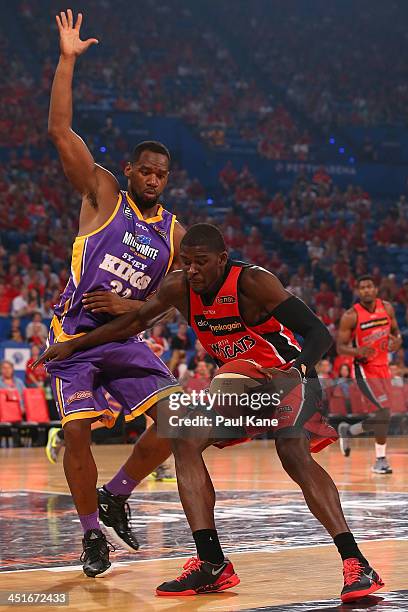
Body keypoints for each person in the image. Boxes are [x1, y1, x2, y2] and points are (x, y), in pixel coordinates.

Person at [36, 224, 383, 603]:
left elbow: (318, 333)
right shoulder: (178, 287)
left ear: (221, 259)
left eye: (201, 263)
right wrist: (74, 345)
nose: (193, 271)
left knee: (294, 456)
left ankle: (357, 563)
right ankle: (212, 563)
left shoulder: (254, 282)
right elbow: (134, 323)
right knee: (184, 436)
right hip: (239, 382)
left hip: (285, 376)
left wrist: (298, 368)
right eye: (186, 262)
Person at [45, 9, 186, 577]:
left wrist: (134, 308)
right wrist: (66, 60)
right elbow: (59, 131)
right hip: (75, 336)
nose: (153, 179)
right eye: (145, 171)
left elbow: (173, 298)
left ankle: (118, 494)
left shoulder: (173, 233)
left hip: (122, 337)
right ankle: (90, 536)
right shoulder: (103, 194)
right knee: (76, 432)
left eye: (161, 175)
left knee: (180, 419)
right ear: (129, 171)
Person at [336, 275, 402, 473]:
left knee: (385, 415)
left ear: (375, 289)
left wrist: (397, 342)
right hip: (364, 370)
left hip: (383, 367)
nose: (366, 290)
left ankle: (349, 430)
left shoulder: (387, 308)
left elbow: (396, 333)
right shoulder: (351, 315)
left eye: (369, 287)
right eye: (362, 287)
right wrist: (357, 351)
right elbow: (340, 347)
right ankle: (380, 460)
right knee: (383, 412)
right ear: (358, 292)